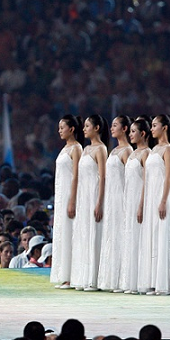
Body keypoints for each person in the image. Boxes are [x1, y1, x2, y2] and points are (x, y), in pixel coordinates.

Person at [139, 115, 170, 295]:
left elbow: (169, 176)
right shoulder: (154, 149)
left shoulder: (168, 149)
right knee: (153, 236)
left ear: (165, 128)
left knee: (163, 236)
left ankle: (165, 284)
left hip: (164, 195)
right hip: (151, 195)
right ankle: (154, 281)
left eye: (155, 125)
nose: (152, 128)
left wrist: (163, 200)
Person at [70, 115, 108, 291]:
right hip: (83, 198)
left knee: (94, 233)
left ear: (97, 128)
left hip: (94, 196)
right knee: (83, 234)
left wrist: (99, 202)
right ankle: (82, 276)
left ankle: (94, 278)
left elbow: (102, 177)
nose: (84, 129)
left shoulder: (101, 149)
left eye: (87, 126)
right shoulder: (85, 150)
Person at [97, 115, 132, 291]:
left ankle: (121, 278)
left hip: (121, 199)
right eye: (111, 125)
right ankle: (110, 278)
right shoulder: (113, 151)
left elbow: (130, 179)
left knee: (120, 235)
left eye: (115, 125)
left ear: (124, 128)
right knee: (111, 236)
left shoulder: (127, 151)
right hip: (111, 198)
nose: (111, 128)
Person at [119, 118, 152, 294]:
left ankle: (141, 280)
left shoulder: (146, 153)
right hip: (128, 200)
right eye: (130, 131)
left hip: (139, 200)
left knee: (139, 239)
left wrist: (141, 205)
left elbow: (146, 181)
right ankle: (129, 281)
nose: (130, 134)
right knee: (130, 238)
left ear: (143, 134)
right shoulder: (132, 153)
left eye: (133, 131)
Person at [51, 115, 83, 289]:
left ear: (71, 129)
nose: (59, 130)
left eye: (62, 127)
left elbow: (77, 175)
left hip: (71, 196)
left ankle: (72, 276)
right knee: (63, 233)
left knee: (71, 233)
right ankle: (64, 274)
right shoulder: (64, 148)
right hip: (61, 194)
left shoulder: (76, 148)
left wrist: (73, 200)